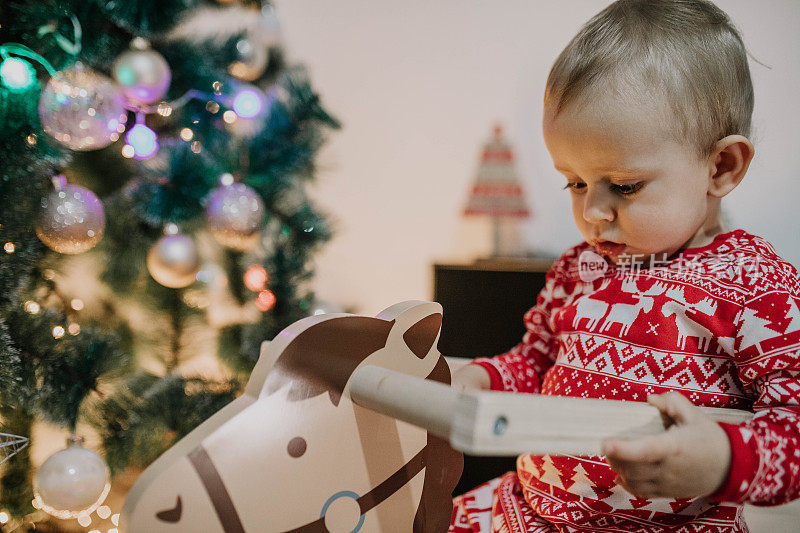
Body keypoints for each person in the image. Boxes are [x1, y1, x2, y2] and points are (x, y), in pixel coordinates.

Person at [449, 1, 800, 531]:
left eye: (626, 185)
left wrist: (725, 458)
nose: (592, 212)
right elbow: (535, 362)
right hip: (530, 511)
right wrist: (480, 379)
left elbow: (793, 427)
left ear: (721, 166)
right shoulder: (579, 269)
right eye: (576, 182)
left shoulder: (758, 284)